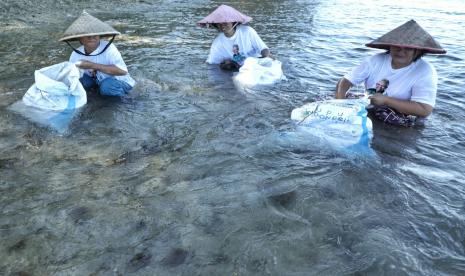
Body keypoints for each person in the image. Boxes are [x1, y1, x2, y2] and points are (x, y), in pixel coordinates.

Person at [335, 20, 446, 122]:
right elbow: (345, 81)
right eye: (396, 46)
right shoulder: (375, 60)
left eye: (408, 48)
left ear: (417, 51)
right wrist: (341, 105)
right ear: (390, 46)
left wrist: (387, 100)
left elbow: (425, 109)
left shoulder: (425, 71)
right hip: (371, 103)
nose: (400, 51)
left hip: (403, 116)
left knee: (384, 117)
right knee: (326, 99)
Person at [59, 11, 135, 96]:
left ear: (99, 36)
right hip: (97, 81)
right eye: (87, 35)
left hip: (119, 81)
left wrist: (92, 65)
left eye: (95, 35)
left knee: (107, 87)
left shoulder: (109, 48)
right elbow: (70, 76)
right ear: (80, 39)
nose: (92, 38)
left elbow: (122, 72)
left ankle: (122, 104)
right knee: (78, 81)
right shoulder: (75, 54)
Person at [197, 4, 271, 71]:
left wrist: (266, 57)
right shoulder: (217, 43)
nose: (222, 25)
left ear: (233, 22)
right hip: (237, 69)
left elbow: (263, 49)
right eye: (219, 23)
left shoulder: (247, 31)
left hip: (256, 66)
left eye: (225, 22)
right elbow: (211, 63)